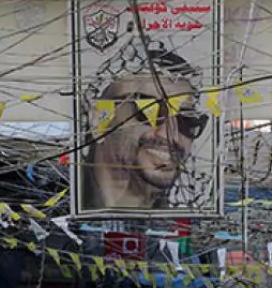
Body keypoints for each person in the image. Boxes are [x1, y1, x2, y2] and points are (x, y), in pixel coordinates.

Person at [79, 39, 209, 212]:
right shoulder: (53, 205)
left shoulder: (187, 224)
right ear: (98, 120)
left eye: (187, 119)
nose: (170, 135)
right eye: (148, 109)